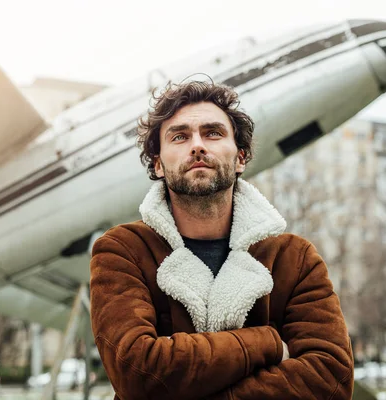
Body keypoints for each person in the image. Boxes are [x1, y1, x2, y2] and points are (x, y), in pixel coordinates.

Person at [89, 80, 353, 400]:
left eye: (213, 133)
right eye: (180, 136)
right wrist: (267, 343)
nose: (197, 145)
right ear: (158, 164)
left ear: (240, 158)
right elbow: (138, 373)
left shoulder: (294, 258)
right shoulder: (122, 250)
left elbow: (330, 379)